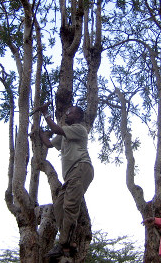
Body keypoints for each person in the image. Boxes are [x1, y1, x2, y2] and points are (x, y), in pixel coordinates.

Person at [35, 102, 94, 260]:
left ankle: (63, 244)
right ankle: (68, 243)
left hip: (81, 167)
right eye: (67, 112)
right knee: (59, 207)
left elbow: (56, 129)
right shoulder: (64, 134)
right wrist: (40, 133)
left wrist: (45, 114)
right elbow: (49, 144)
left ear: (79, 117)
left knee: (70, 206)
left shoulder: (79, 129)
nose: (67, 114)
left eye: (71, 112)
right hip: (70, 176)